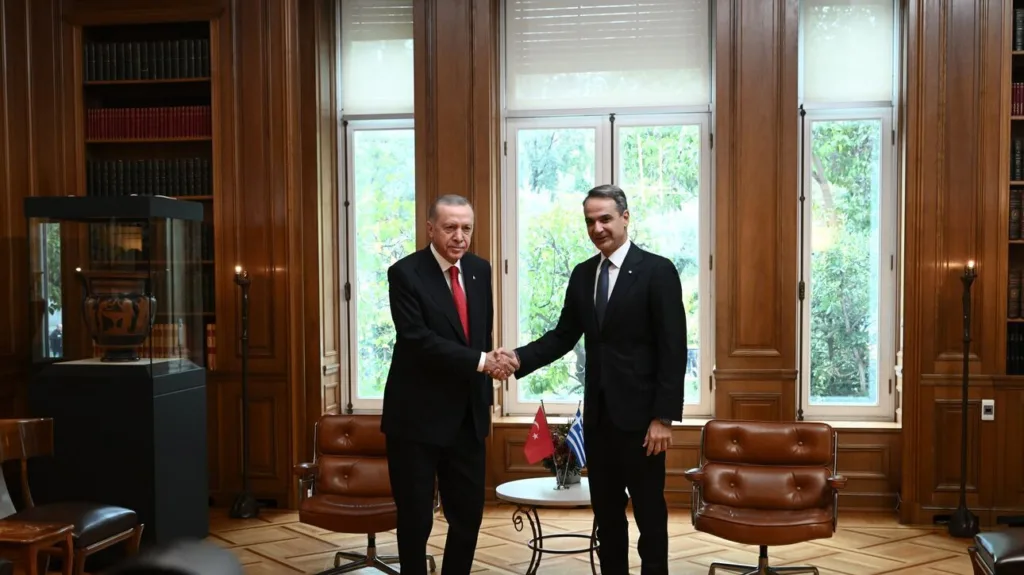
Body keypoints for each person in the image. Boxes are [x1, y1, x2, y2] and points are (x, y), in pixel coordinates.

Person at [505, 184, 687, 575]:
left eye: (605, 219)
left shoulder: (657, 271)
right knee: (606, 516)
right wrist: (518, 358)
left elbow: (673, 349)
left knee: (650, 513)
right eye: (590, 221)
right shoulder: (584, 274)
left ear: (625, 217)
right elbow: (562, 336)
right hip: (599, 421)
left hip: (643, 423)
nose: (597, 228)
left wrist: (663, 418)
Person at [381, 194, 515, 575]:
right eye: (450, 227)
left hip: (467, 419)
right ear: (430, 229)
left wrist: (491, 363)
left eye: (466, 228)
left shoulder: (479, 269)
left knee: (468, 517)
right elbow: (417, 340)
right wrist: (483, 362)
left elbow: (480, 335)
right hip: (416, 420)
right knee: (415, 521)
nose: (459, 236)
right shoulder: (405, 274)